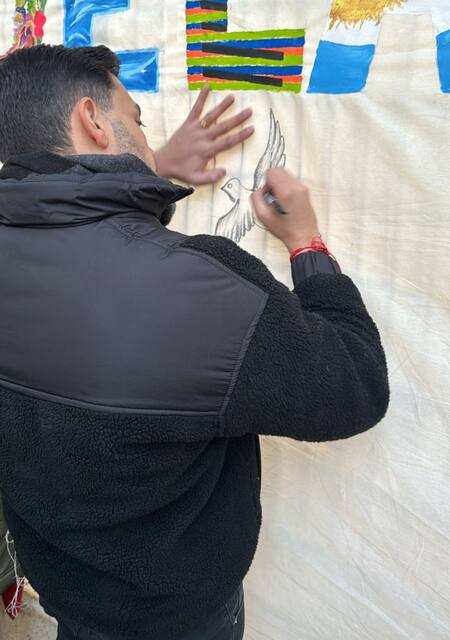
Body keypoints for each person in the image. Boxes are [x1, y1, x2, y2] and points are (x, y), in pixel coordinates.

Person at [0, 44, 389, 640]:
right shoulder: (204, 287)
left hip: (73, 608)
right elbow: (355, 387)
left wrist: (145, 170)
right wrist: (307, 245)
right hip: (179, 623)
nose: (146, 137)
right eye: (136, 119)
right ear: (93, 120)